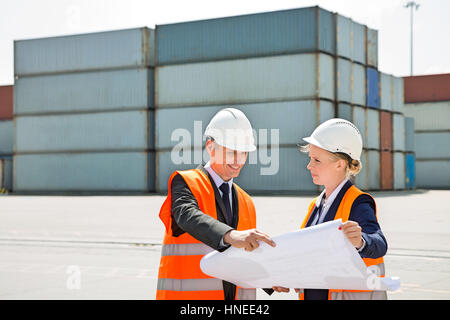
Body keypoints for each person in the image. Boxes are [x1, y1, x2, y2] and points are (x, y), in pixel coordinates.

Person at [156, 107, 276, 300]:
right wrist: (231, 235)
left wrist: (270, 280)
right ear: (210, 147)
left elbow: (246, 252)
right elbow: (187, 215)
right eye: (232, 152)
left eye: (244, 153)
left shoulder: (246, 201)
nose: (238, 161)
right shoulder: (185, 183)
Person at [272, 118, 388, 300]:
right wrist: (288, 276)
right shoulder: (316, 205)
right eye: (310, 159)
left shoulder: (358, 203)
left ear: (340, 164)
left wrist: (361, 241)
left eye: (316, 160)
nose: (309, 166)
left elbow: (379, 243)